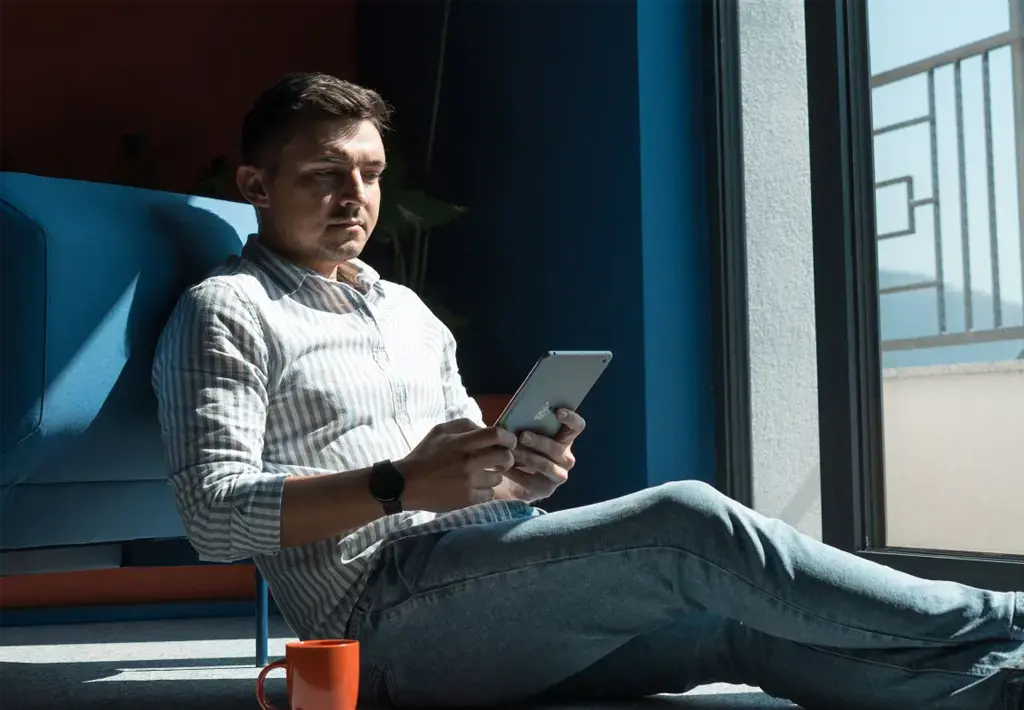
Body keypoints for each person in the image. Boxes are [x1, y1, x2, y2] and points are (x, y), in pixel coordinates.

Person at [152, 73, 1024, 710]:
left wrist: (522, 471)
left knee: (738, 625)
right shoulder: (226, 309)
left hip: (493, 578)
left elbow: (465, 471)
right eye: (325, 174)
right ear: (256, 188)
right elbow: (213, 515)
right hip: (381, 622)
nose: (357, 196)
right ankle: (1001, 615)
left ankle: (998, 688)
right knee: (688, 520)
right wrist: (397, 485)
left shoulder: (407, 309)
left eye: (372, 173)